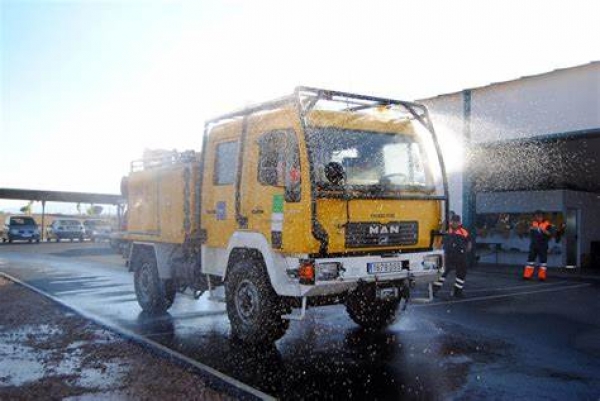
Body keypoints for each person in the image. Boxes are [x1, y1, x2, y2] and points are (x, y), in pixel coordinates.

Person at [433, 214, 472, 298]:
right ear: (451, 221)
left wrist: (466, 251)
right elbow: (439, 241)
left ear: (459, 222)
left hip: (460, 256)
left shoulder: (463, 232)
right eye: (454, 221)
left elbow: (469, 242)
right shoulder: (446, 230)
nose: (455, 223)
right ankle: (434, 290)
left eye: (457, 221)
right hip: (448, 256)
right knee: (442, 273)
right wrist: (438, 250)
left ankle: (457, 292)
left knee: (461, 274)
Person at [523, 210, 553, 281]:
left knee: (543, 262)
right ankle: (527, 276)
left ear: (541, 216)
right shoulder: (534, 223)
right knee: (530, 261)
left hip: (543, 245)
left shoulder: (547, 224)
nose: (536, 217)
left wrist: (542, 230)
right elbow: (528, 232)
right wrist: (530, 229)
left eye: (538, 216)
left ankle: (542, 277)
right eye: (535, 216)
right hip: (534, 245)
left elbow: (550, 234)